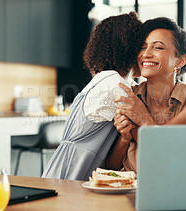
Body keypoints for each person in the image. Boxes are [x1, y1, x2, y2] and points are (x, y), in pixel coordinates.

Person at [105, 17, 186, 172]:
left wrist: (144, 120)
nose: (146, 54)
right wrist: (125, 138)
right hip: (126, 192)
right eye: (142, 47)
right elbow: (111, 167)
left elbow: (184, 163)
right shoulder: (129, 97)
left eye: (157, 48)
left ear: (180, 61)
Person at [41, 12, 143, 180]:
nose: (145, 54)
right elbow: (149, 130)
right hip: (72, 172)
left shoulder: (105, 79)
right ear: (130, 47)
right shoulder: (114, 84)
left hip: (65, 167)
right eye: (142, 46)